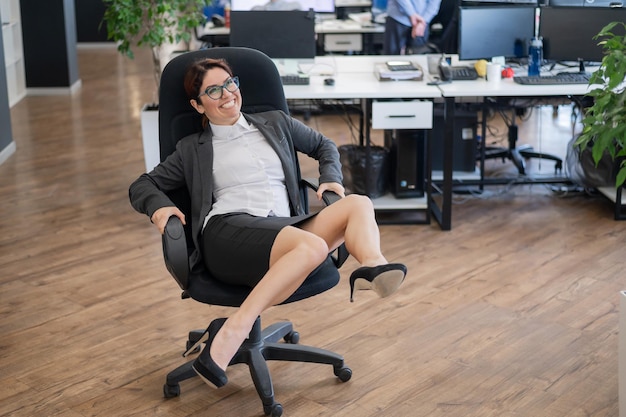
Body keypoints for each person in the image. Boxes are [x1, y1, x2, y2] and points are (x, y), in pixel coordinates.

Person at [128, 57, 407, 388]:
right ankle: (235, 329)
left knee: (359, 202)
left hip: (284, 229)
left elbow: (324, 146)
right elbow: (142, 185)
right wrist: (161, 208)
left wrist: (331, 178)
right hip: (228, 232)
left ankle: (373, 266)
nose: (227, 94)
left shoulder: (276, 122)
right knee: (313, 246)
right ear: (198, 104)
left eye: (230, 83)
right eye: (213, 90)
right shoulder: (192, 148)